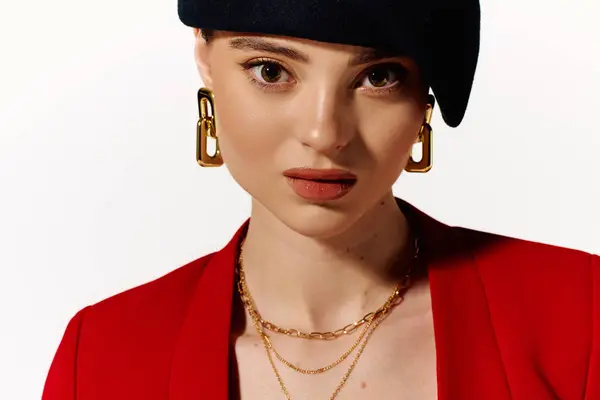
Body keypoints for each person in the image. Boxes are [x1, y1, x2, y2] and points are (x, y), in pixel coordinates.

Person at [43, 0, 600, 399]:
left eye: (378, 77)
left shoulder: (582, 320)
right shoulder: (99, 356)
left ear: (425, 97)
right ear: (206, 60)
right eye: (271, 70)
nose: (325, 132)